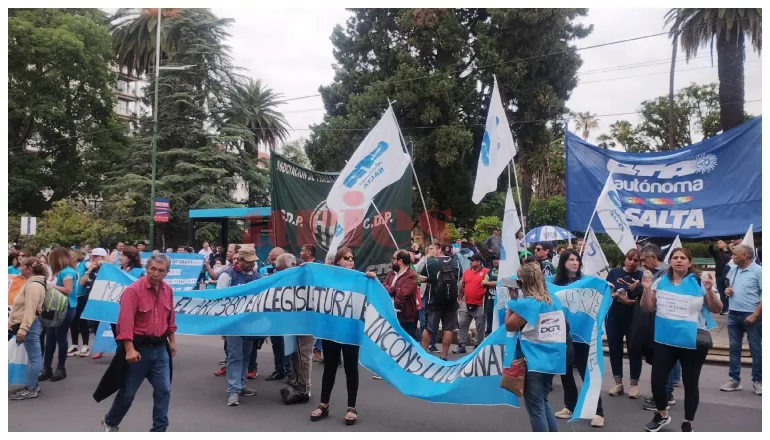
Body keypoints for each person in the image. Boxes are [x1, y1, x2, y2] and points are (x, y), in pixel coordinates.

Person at [640, 248, 722, 432]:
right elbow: (647, 308)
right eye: (675, 257)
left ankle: (688, 422)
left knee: (690, 383)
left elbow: (717, 308)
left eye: (682, 258)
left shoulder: (700, 282)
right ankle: (661, 415)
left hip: (692, 341)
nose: (678, 260)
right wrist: (646, 289)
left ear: (689, 262)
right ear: (670, 262)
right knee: (657, 381)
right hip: (665, 340)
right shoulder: (660, 281)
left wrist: (709, 291)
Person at [99, 254, 177, 432]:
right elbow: (125, 324)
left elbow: (170, 318)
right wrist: (129, 349)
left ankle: (159, 430)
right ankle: (110, 422)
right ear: (147, 268)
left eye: (161, 270)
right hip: (139, 349)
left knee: (163, 390)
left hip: (160, 349)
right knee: (128, 393)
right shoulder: (133, 291)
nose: (156, 273)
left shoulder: (168, 291)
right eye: (153, 269)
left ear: (167, 272)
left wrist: (172, 341)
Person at [505, 262, 567, 432]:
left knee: (536, 409)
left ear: (523, 283)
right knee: (543, 403)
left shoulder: (529, 304)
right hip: (553, 360)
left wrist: (512, 300)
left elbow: (509, 326)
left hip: (533, 361)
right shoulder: (553, 300)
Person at [551, 249, 605, 427]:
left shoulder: (586, 282)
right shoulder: (554, 282)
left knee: (585, 370)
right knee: (565, 371)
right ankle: (570, 405)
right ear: (563, 262)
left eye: (577, 259)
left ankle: (597, 411)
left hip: (582, 333)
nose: (575, 263)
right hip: (562, 333)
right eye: (571, 259)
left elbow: (601, 289)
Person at [310, 247, 361, 425]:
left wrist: (371, 279)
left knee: (351, 368)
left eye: (352, 258)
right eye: (346, 258)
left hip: (350, 331)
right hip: (330, 330)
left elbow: (372, 294)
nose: (350, 261)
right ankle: (324, 404)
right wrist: (304, 269)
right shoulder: (327, 278)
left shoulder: (359, 279)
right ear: (338, 260)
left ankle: (351, 407)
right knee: (329, 368)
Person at [217, 248, 261, 406]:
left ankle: (241, 385)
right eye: (249, 261)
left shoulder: (256, 275)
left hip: (249, 323)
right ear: (240, 260)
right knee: (235, 355)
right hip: (233, 323)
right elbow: (219, 298)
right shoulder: (227, 275)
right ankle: (233, 390)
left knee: (246, 355)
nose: (252, 264)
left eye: (253, 261)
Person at [638, 244, 680, 410]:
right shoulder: (656, 273)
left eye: (643, 260)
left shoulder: (665, 273)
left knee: (665, 358)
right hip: (660, 317)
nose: (641, 264)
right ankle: (666, 392)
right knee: (666, 356)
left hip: (667, 318)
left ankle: (665, 394)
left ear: (653, 258)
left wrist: (648, 287)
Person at [720, 244, 762, 395]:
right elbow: (730, 287)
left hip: (752, 315)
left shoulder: (759, 271)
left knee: (756, 349)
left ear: (745, 255)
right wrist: (727, 290)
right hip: (733, 314)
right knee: (734, 348)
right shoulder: (734, 269)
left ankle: (758, 381)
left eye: (735, 255)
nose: (732, 257)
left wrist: (755, 314)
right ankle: (734, 380)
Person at [605, 249, 644, 398]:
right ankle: (618, 383)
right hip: (614, 316)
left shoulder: (641, 276)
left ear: (639, 263)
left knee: (634, 350)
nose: (632, 263)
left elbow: (644, 298)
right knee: (615, 349)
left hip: (633, 317)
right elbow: (607, 291)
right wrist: (613, 295)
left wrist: (631, 298)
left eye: (636, 260)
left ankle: (634, 385)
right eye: (630, 259)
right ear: (625, 259)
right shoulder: (614, 272)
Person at [9, 257, 48, 400]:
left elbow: (30, 310)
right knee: (33, 356)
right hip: (31, 324)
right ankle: (32, 385)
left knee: (33, 357)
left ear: (29, 268)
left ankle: (31, 388)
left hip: (30, 325)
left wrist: (23, 329)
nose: (20, 268)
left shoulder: (33, 286)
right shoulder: (34, 283)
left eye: (22, 266)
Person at [278, 253, 314, 405]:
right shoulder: (296, 272)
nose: (280, 273)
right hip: (295, 318)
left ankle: (305, 387)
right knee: (295, 351)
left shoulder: (307, 272)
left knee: (303, 352)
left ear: (292, 265)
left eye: (282, 269)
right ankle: (297, 380)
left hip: (305, 319)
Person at [38, 247, 77, 382]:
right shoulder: (56, 272)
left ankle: (61, 368)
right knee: (50, 338)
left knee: (60, 336)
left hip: (66, 308)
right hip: (53, 308)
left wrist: (50, 286)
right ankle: (47, 367)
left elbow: (68, 290)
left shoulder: (68, 272)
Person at [367, 249, 419, 343]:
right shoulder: (392, 273)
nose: (392, 261)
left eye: (393, 259)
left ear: (400, 261)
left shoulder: (411, 276)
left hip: (404, 319)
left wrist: (392, 289)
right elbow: (383, 287)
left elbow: (402, 294)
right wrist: (395, 289)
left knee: (405, 347)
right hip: (390, 316)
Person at [420, 244, 461, 360]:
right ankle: (444, 356)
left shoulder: (431, 262)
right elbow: (459, 278)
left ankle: (423, 355)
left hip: (434, 300)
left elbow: (422, 278)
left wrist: (430, 279)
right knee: (448, 329)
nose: (429, 250)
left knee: (428, 328)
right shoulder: (455, 262)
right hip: (451, 301)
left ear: (439, 249)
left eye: (432, 248)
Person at [454, 254, 488, 354]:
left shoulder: (486, 272)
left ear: (479, 262)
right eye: (470, 260)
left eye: (473, 260)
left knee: (480, 325)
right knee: (462, 324)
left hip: (480, 303)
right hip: (466, 302)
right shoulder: (467, 272)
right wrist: (460, 297)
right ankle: (461, 345)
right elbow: (463, 285)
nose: (470, 262)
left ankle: (478, 346)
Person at [417, 244, 438, 352]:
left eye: (434, 249)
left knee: (433, 321)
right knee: (423, 321)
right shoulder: (424, 260)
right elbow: (417, 269)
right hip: (424, 294)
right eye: (430, 248)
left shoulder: (439, 261)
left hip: (435, 295)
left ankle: (432, 344)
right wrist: (426, 257)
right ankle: (423, 343)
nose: (432, 250)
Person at [709, 239, 733, 314]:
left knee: (729, 292)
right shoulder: (717, 253)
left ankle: (730, 308)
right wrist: (711, 244)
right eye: (718, 243)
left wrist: (731, 248)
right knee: (721, 293)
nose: (718, 244)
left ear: (725, 243)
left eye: (720, 242)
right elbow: (711, 251)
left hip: (728, 275)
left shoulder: (731, 253)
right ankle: (725, 309)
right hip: (719, 275)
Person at [481, 254, 499, 337]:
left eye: (497, 259)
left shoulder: (505, 271)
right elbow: (482, 283)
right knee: (489, 326)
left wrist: (489, 283)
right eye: (494, 259)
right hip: (489, 302)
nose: (495, 261)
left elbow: (500, 283)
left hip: (500, 304)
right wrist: (493, 283)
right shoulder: (490, 271)